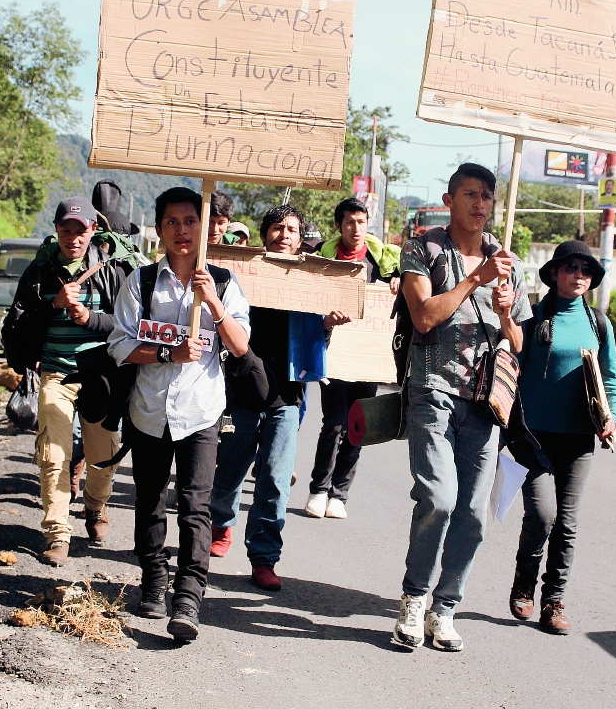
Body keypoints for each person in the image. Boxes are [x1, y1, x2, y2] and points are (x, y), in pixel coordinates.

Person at [393, 163, 532, 652]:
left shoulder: (507, 261)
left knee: (473, 512)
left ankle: (445, 607)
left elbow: (518, 342)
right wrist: (475, 279)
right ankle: (414, 598)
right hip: (433, 388)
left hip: (486, 400)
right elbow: (423, 317)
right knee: (438, 498)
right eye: (470, 194)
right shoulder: (422, 248)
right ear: (449, 200)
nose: (480, 203)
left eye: (487, 196)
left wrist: (506, 313)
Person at [107, 186, 251, 642]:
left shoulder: (223, 282)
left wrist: (214, 304)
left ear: (204, 226)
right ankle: (154, 578)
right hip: (149, 410)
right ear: (160, 229)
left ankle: (188, 598)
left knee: (195, 507)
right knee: (149, 501)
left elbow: (240, 345)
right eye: (172, 222)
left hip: (201, 413)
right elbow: (119, 345)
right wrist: (169, 353)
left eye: (190, 221)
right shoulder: (142, 282)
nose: (182, 230)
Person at [209, 205, 351, 591]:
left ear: (301, 238)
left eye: (291, 229)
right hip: (241, 392)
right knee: (229, 470)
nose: (284, 234)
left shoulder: (310, 282)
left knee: (274, 479)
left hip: (286, 398)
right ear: (264, 234)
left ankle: (264, 557)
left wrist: (326, 325)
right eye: (276, 227)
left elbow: (315, 344)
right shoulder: (242, 278)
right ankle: (220, 524)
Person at [3, 198, 132, 567]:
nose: (73, 238)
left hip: (100, 377)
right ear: (56, 229)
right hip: (55, 374)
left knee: (104, 458)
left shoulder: (113, 270)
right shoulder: (38, 272)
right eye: (66, 230)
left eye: (80, 231)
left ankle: (95, 506)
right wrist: (54, 305)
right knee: (54, 454)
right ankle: (57, 533)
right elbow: (16, 328)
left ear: (93, 231)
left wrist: (90, 318)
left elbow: (129, 325)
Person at [510, 240, 616, 635]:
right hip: (532, 437)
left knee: (567, 523)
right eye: (571, 267)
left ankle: (553, 602)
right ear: (555, 273)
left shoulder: (599, 324)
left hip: (578, 440)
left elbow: (611, 378)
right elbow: (511, 367)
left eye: (586, 269)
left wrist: (612, 417)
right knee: (543, 514)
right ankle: (524, 582)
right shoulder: (532, 317)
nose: (579, 275)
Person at [304, 197, 401, 520]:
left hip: (369, 358)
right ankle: (319, 489)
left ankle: (339, 493)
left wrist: (398, 280)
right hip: (334, 354)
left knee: (358, 426)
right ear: (339, 226)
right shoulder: (324, 258)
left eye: (361, 222)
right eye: (349, 222)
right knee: (333, 424)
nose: (356, 228)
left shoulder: (385, 261)